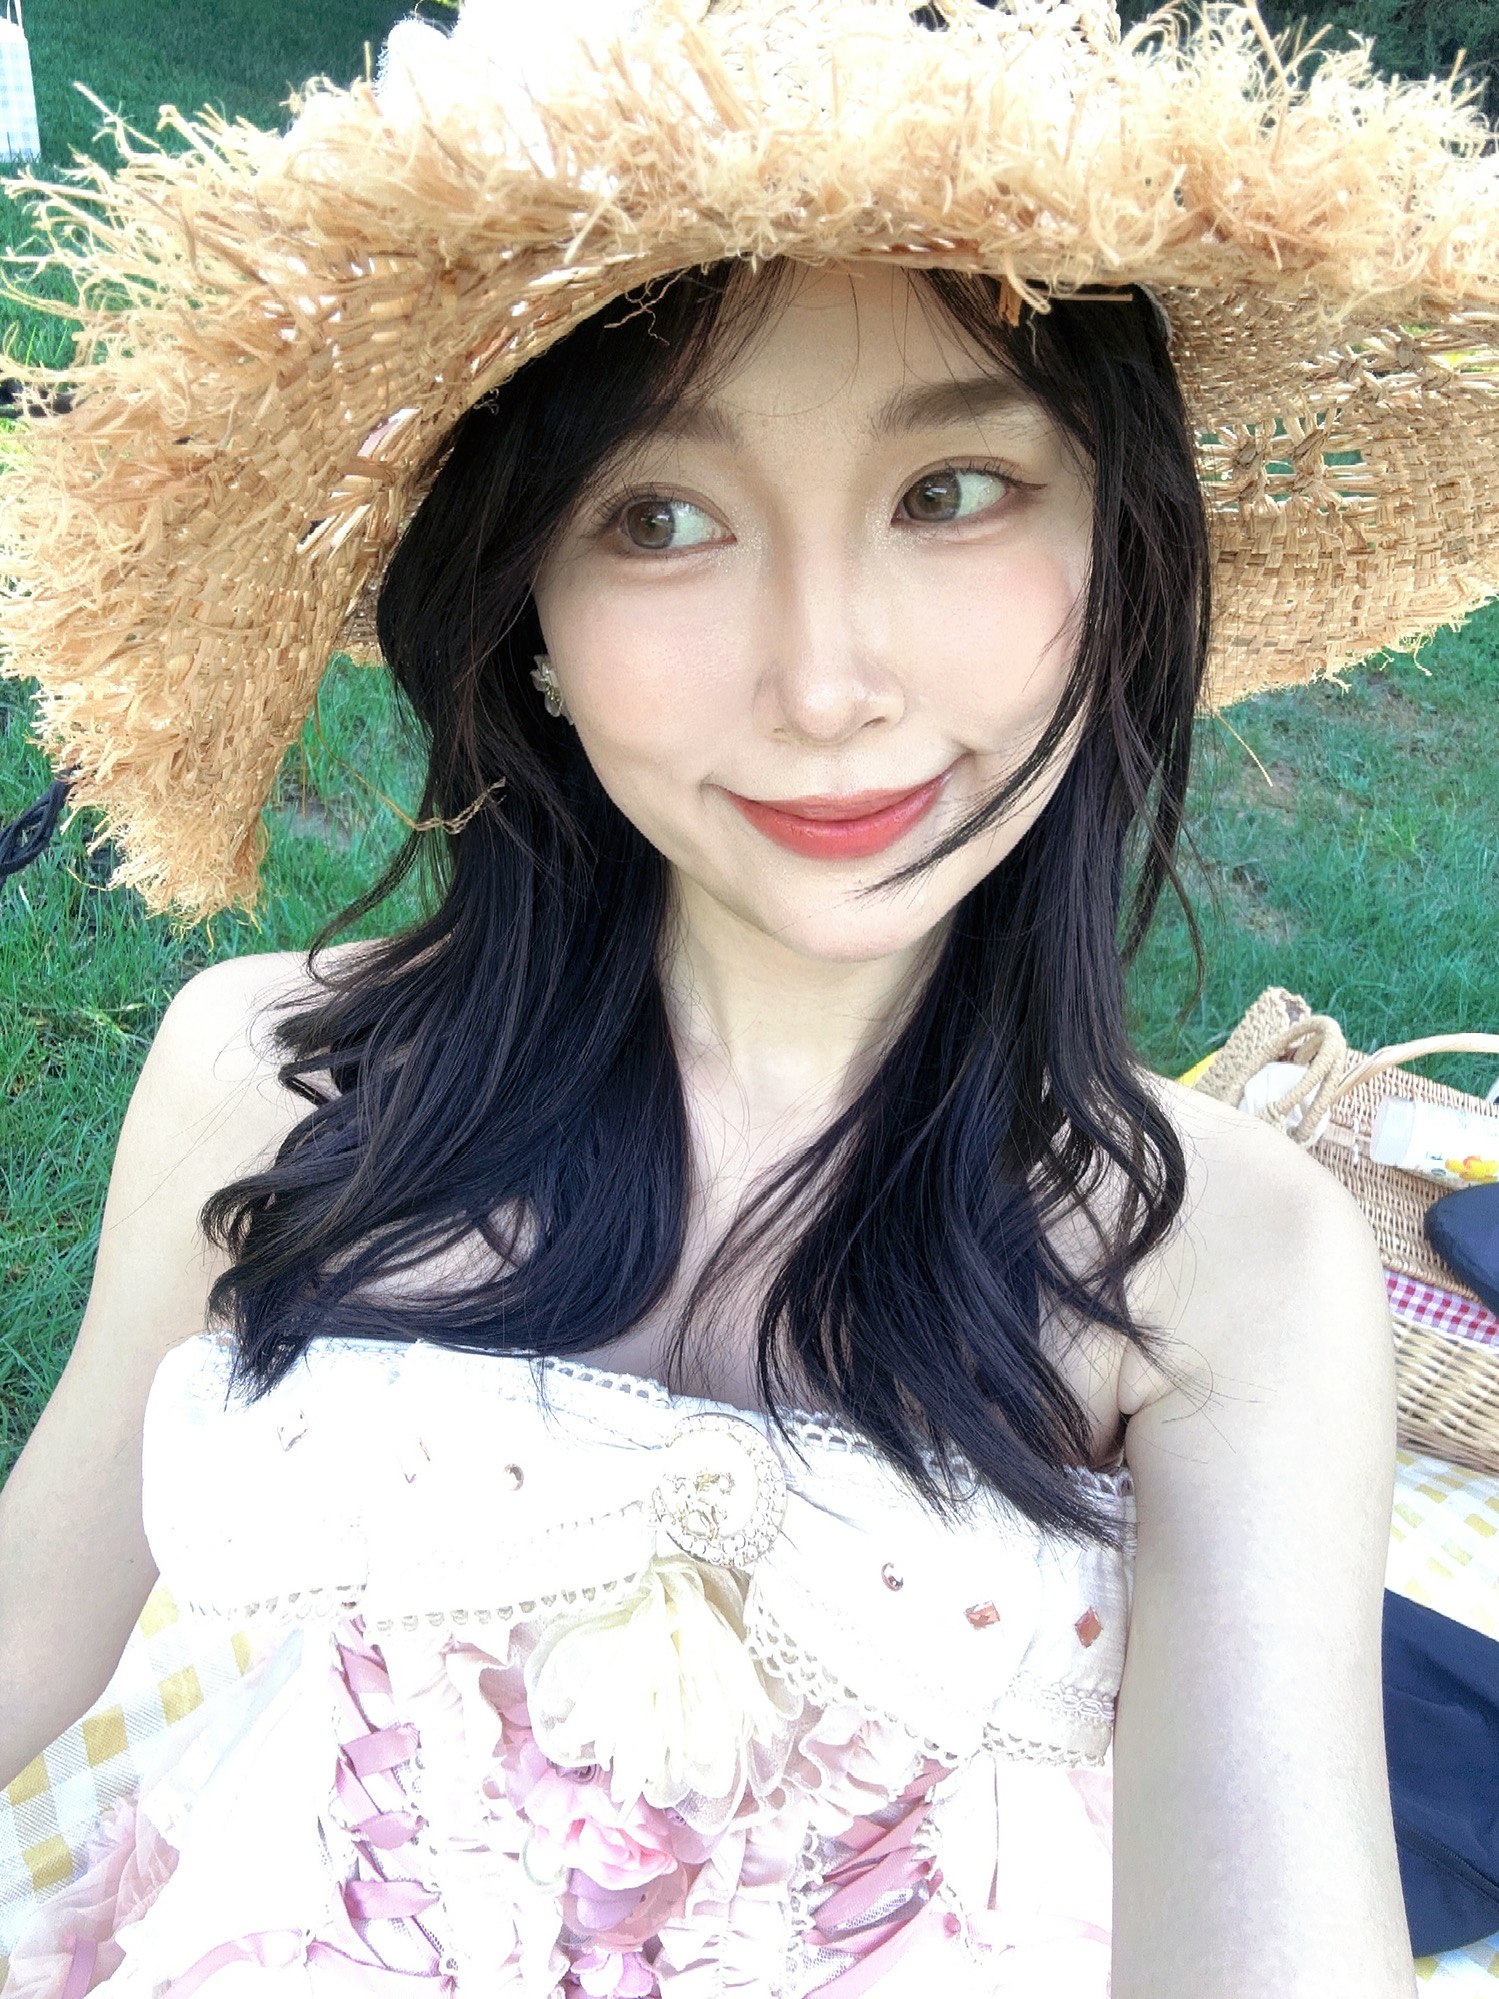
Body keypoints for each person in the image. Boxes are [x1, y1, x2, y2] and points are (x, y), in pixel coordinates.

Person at [2, 0, 1496, 1991]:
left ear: (1120, 544)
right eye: (659, 517)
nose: (825, 683)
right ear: (524, 605)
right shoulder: (269, 1085)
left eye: (952, 488)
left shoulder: (1226, 1266)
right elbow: (31, 1628)